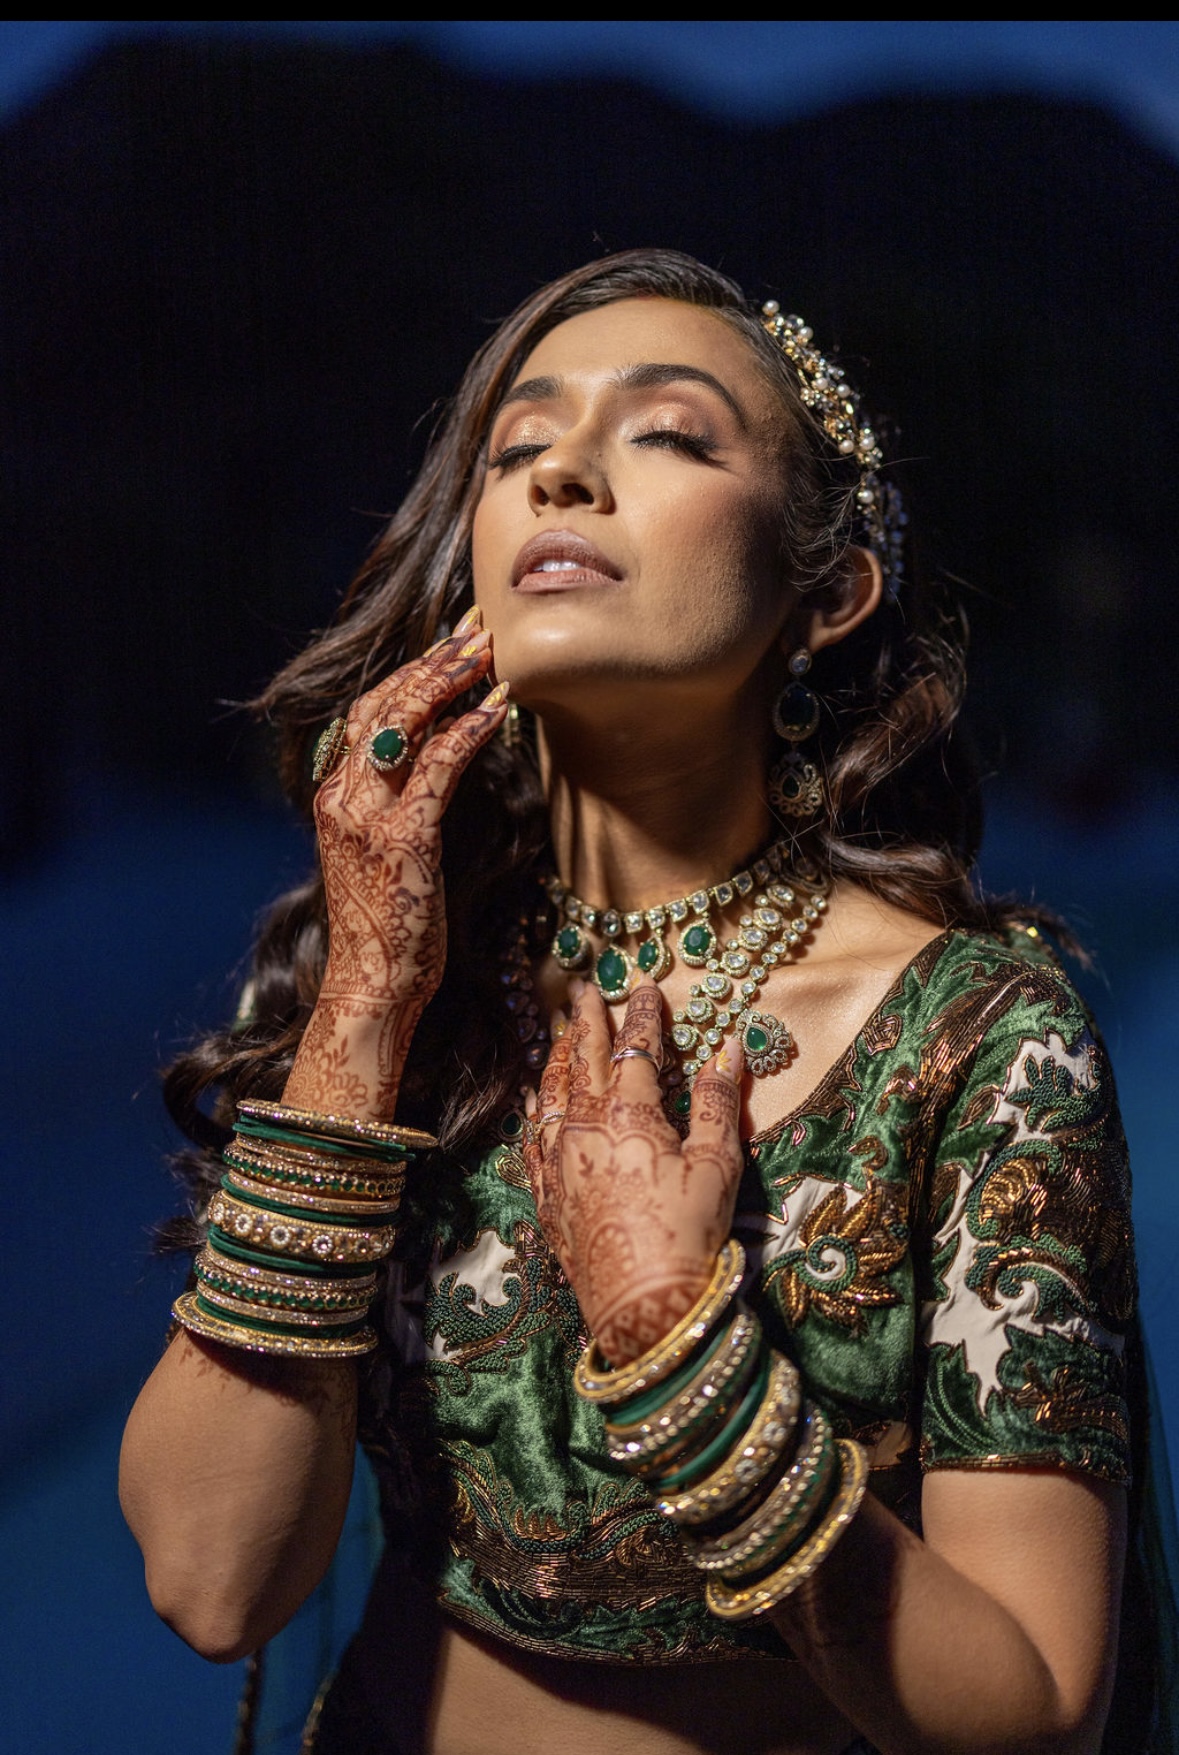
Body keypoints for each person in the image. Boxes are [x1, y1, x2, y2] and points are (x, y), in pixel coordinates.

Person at [119, 249, 1172, 1755]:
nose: (562, 476)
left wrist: (676, 1343)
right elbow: (211, 1583)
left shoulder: (979, 1035)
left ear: (828, 595)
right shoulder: (397, 987)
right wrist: (363, 1008)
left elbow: (1038, 1709)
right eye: (517, 450)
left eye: (669, 432)